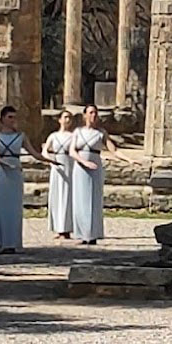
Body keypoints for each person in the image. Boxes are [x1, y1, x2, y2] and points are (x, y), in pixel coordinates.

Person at [0, 106, 46, 255]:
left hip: (15, 173)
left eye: (14, 117)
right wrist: (5, 163)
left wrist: (50, 160)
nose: (13, 120)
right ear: (2, 119)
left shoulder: (21, 136)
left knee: (15, 208)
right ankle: (2, 243)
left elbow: (34, 152)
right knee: (1, 208)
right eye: (10, 117)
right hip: (1, 172)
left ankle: (13, 243)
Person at [70, 105, 116, 245]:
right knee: (80, 199)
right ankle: (83, 234)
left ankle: (93, 234)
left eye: (95, 113)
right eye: (90, 113)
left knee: (94, 200)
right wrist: (84, 162)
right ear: (84, 115)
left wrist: (129, 159)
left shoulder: (101, 133)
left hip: (95, 165)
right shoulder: (77, 132)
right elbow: (72, 151)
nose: (93, 116)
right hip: (80, 167)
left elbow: (113, 149)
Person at [44, 110, 76, 240]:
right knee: (57, 196)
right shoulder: (53, 136)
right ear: (60, 120)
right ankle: (58, 227)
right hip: (56, 167)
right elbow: (45, 151)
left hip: (69, 166)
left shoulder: (74, 136)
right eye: (65, 117)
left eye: (70, 118)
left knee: (68, 197)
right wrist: (51, 161)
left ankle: (67, 228)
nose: (68, 120)